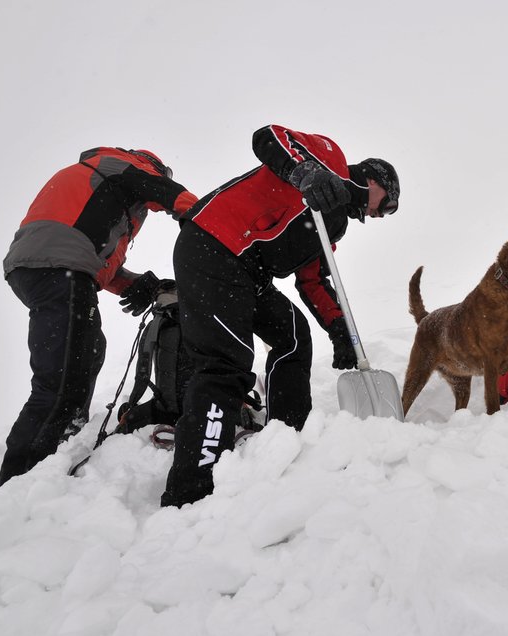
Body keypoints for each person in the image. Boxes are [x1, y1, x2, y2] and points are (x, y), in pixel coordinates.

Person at [161, 124, 400, 507]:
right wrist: (306, 172)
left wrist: (338, 329)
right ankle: (193, 486)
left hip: (247, 272)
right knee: (226, 365)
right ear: (374, 178)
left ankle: (286, 433)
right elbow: (268, 136)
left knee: (293, 334)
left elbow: (314, 281)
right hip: (213, 245)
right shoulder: (328, 160)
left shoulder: (330, 221)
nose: (380, 215)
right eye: (386, 204)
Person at [0, 147, 198, 487]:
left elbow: (86, 248)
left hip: (42, 269)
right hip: (59, 269)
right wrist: (210, 221)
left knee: (90, 349)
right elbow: (169, 195)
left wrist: (136, 285)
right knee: (61, 379)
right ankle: (20, 481)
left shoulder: (99, 179)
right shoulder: (128, 168)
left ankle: (68, 435)